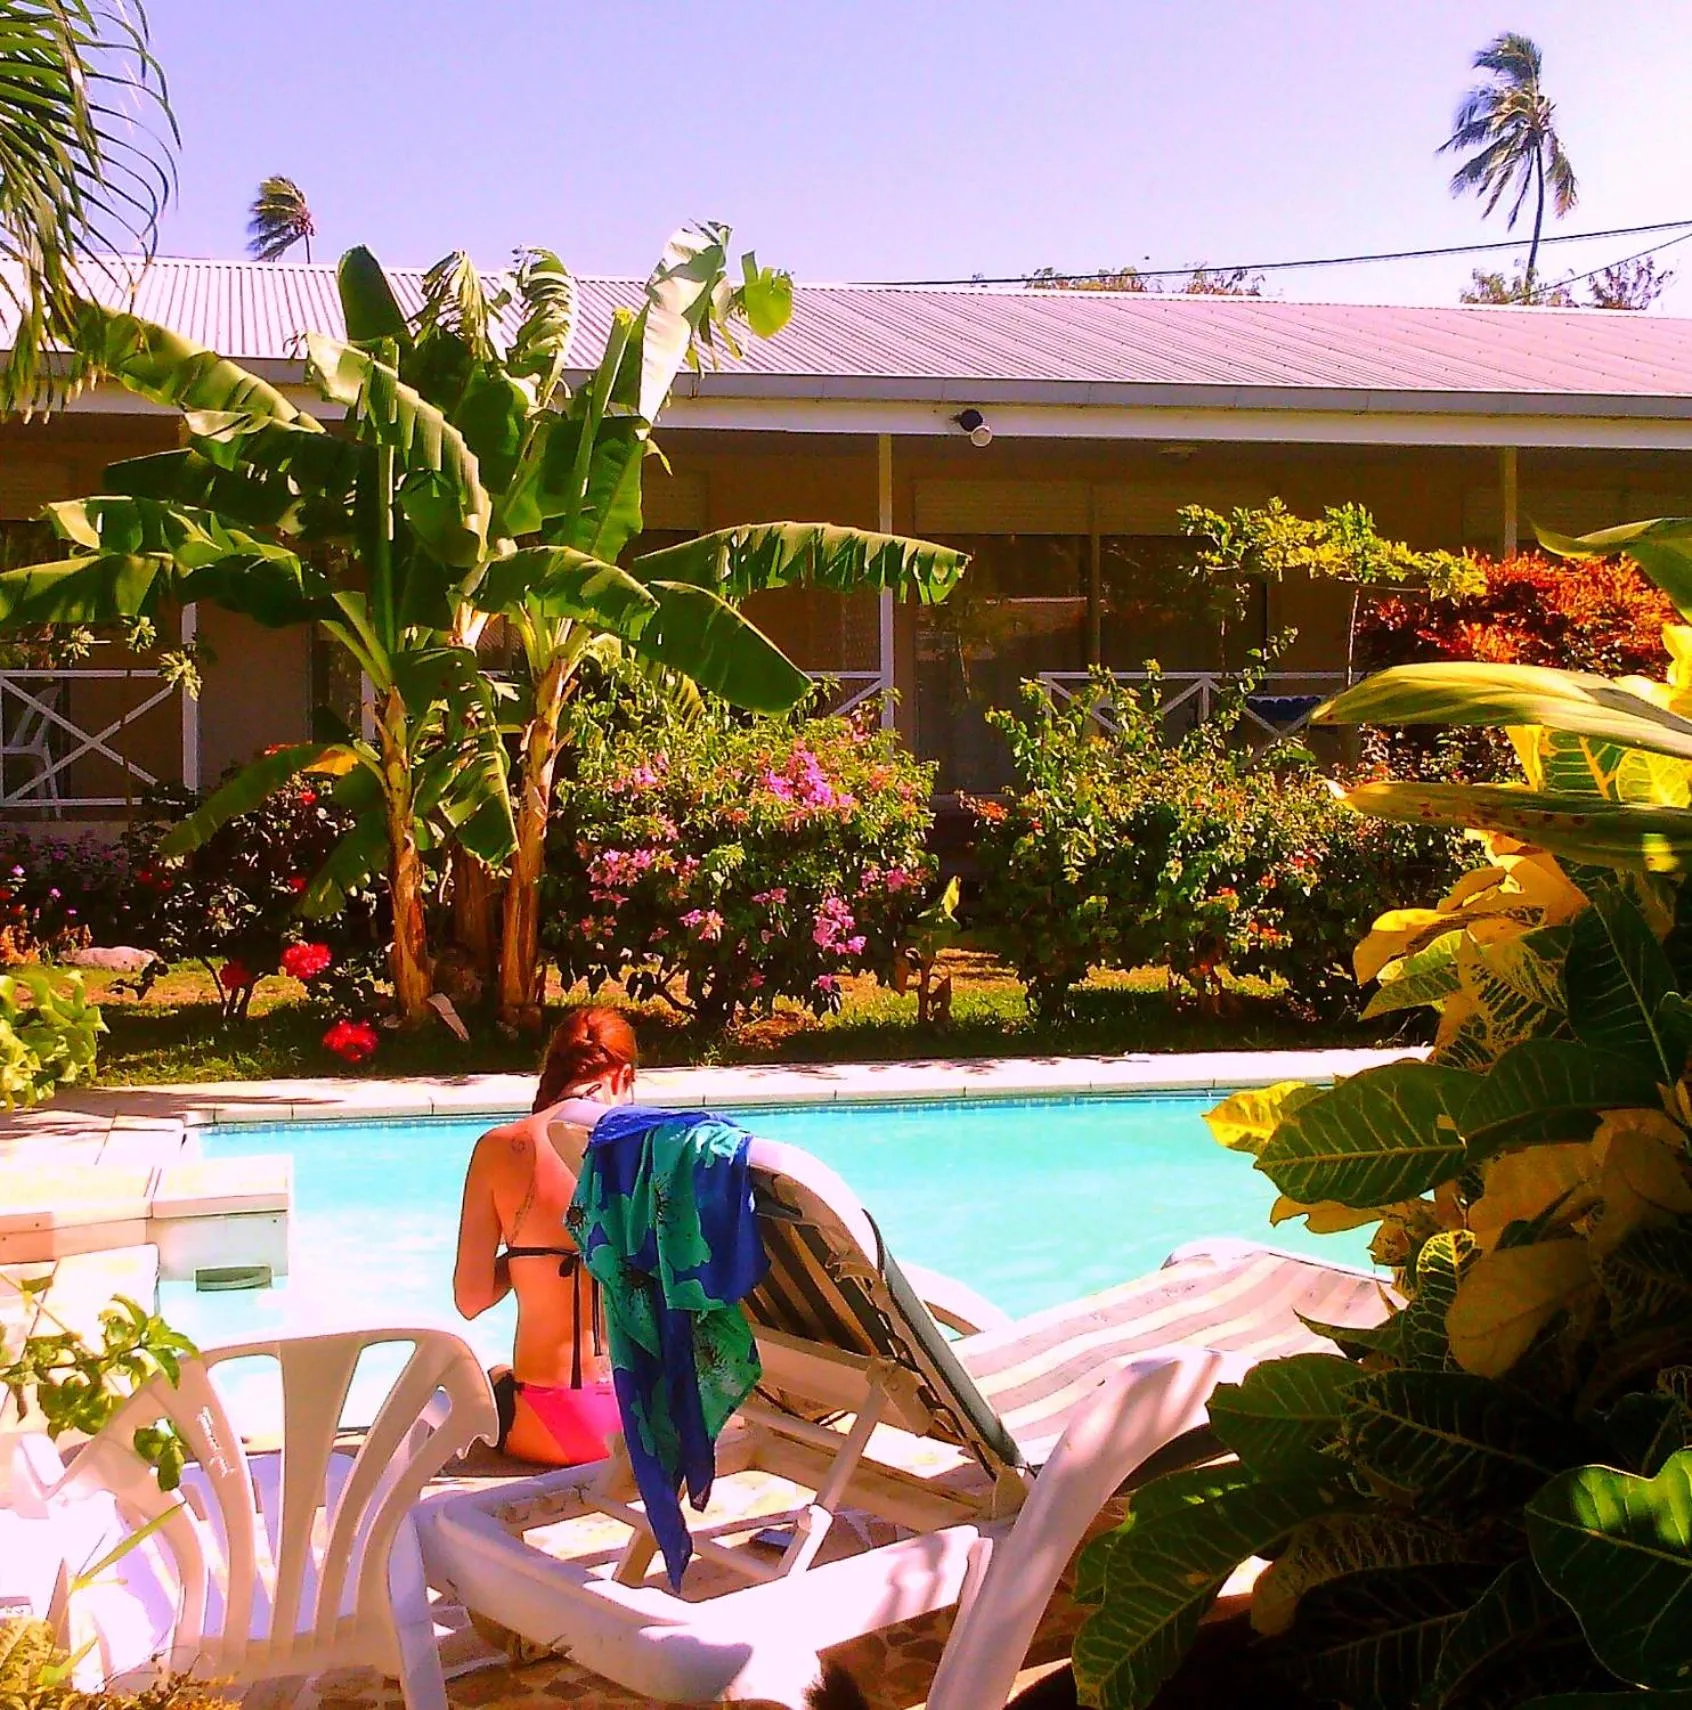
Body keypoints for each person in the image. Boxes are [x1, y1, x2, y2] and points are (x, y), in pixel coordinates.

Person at [453, 1006, 637, 1465]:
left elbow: (470, 1300)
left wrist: (526, 1256)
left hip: (543, 1427)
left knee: (486, 1378)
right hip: (640, 1425)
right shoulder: (648, 1149)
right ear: (623, 1076)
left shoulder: (500, 1147)